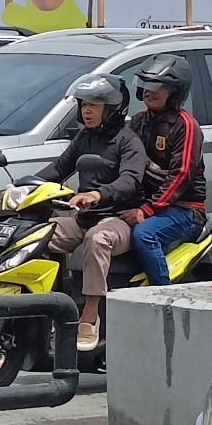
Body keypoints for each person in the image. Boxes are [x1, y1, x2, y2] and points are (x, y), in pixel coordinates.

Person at [45, 74, 147, 355]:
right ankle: (47, 304)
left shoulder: (128, 142)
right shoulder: (84, 138)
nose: (86, 111)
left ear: (111, 108)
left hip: (117, 220)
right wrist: (22, 186)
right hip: (82, 217)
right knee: (39, 235)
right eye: (83, 104)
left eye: (93, 105)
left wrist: (97, 195)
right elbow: (57, 170)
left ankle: (90, 316)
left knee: (97, 239)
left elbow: (130, 181)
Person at [117, 52, 207, 284]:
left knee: (144, 235)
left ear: (175, 92)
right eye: (145, 85)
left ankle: (162, 296)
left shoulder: (185, 126)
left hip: (184, 209)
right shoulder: (139, 121)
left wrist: (146, 210)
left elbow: (182, 174)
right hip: (149, 203)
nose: (149, 90)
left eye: (158, 86)